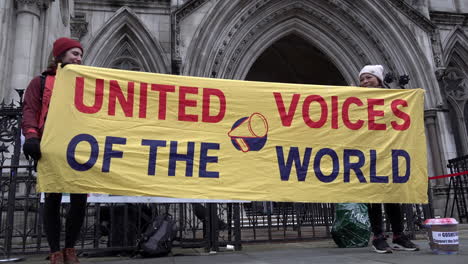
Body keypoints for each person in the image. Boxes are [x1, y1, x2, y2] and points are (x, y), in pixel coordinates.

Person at [22, 37, 87, 264]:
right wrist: (31, 136)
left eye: (80, 54)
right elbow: (31, 110)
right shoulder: (39, 82)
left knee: (80, 200)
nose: (79, 58)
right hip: (51, 146)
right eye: (74, 54)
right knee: (52, 198)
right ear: (60, 56)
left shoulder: (85, 84)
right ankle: (55, 251)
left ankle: (70, 248)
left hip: (78, 147)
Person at [359, 65, 419, 254]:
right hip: (368, 155)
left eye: (368, 78)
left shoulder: (392, 98)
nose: (364, 82)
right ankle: (378, 237)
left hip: (390, 153)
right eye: (362, 79)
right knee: (374, 198)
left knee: (394, 197)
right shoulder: (355, 98)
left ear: (378, 78)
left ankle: (399, 236)